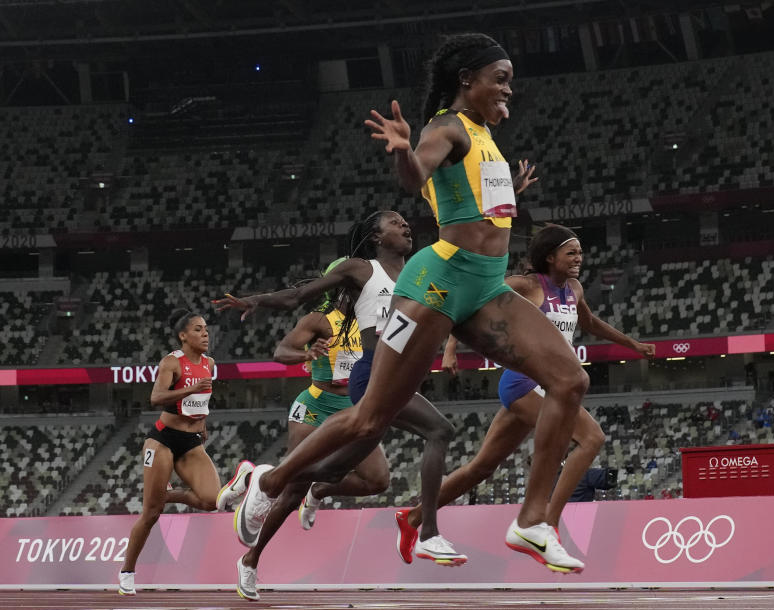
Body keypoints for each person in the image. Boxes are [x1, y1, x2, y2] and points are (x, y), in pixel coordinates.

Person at [225, 32, 589, 573]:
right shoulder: (445, 127)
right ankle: (269, 480)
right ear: (468, 79)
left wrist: (511, 188)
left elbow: (477, 203)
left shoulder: (485, 136)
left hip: (486, 285)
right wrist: (403, 152)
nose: (509, 89)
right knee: (371, 417)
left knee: (570, 381)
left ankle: (532, 522)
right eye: (501, 79)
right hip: (436, 283)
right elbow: (418, 171)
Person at [215, 211, 465, 599]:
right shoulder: (359, 272)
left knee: (336, 472)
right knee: (440, 429)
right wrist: (257, 300)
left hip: (397, 378)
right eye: (394, 222)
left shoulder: (417, 274)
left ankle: (262, 489)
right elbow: (299, 295)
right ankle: (426, 530)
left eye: (405, 221)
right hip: (362, 381)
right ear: (376, 237)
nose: (404, 226)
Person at [401, 225, 655, 542]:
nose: (580, 257)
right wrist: (451, 348)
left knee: (481, 467)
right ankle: (545, 524)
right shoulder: (526, 285)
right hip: (524, 382)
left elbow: (590, 323)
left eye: (580, 252)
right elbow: (472, 299)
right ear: (550, 256)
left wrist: (632, 344)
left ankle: (412, 517)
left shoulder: (574, 288)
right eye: (571, 252)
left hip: (551, 385)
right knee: (591, 438)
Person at [118, 309, 249, 596]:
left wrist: (203, 424)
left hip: (191, 442)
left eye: (206, 329)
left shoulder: (209, 363)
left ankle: (167, 492)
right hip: (162, 440)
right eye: (199, 329)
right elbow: (156, 398)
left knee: (211, 500)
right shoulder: (172, 362)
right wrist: (188, 390)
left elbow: (201, 400)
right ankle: (127, 571)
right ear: (183, 335)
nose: (205, 334)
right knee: (151, 513)